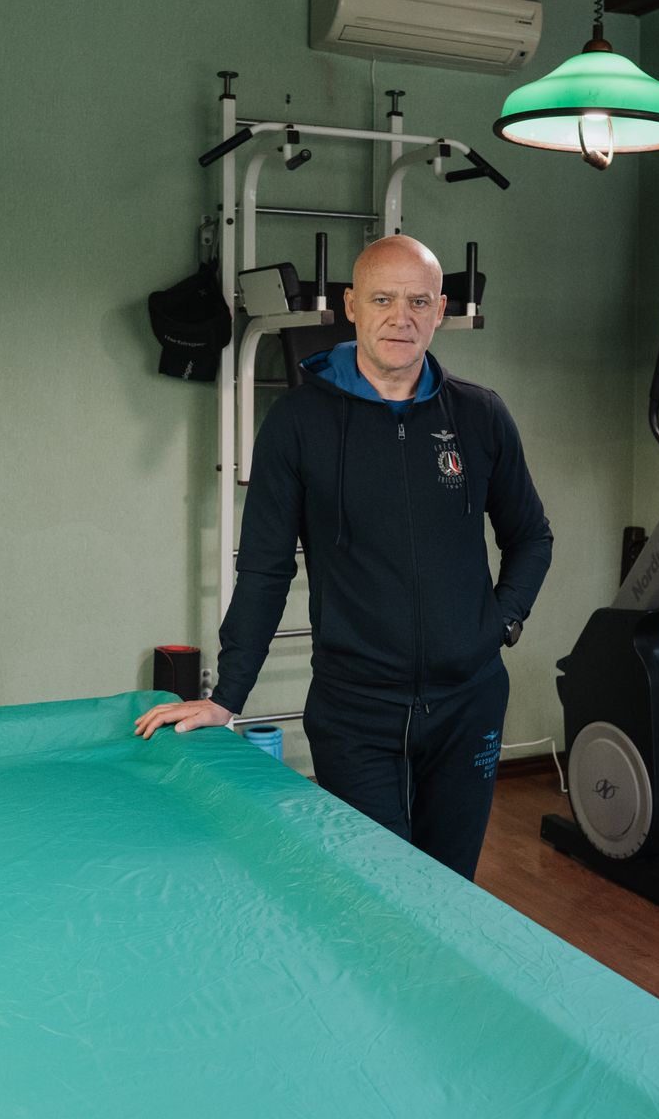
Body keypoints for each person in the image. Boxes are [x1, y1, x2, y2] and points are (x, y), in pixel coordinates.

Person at [135, 235, 553, 879]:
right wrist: (229, 693)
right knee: (376, 885)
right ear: (352, 306)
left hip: (469, 704)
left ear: (440, 310)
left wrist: (498, 624)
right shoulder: (299, 423)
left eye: (418, 301)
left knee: (451, 888)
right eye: (383, 299)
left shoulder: (480, 416)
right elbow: (267, 567)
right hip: (356, 711)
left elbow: (531, 537)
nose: (401, 317)